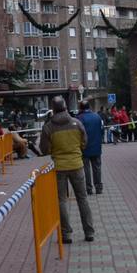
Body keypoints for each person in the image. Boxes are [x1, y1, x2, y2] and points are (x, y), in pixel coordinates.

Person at [40, 96, 95, 243]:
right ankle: (89, 232)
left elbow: (44, 149)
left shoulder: (49, 127)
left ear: (53, 108)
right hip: (77, 165)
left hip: (59, 167)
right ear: (65, 106)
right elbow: (84, 142)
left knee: (62, 200)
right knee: (82, 199)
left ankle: (66, 234)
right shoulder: (77, 123)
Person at [78, 100, 105, 195]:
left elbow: (78, 134)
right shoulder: (97, 116)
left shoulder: (79, 118)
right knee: (97, 168)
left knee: (86, 169)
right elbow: (102, 131)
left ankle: (89, 188)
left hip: (84, 148)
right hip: (97, 147)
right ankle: (99, 188)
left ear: (81, 108)